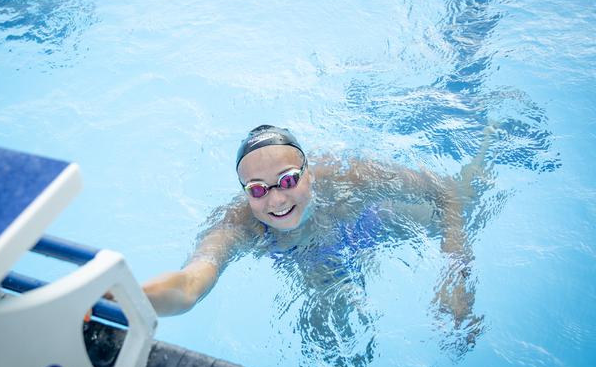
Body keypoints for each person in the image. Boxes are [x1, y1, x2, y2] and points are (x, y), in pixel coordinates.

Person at [142, 125, 486, 325]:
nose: (276, 200)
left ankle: (492, 134)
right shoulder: (237, 223)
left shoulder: (350, 177)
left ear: (309, 173)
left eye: (289, 180)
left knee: (470, 200)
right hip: (315, 265)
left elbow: (444, 191)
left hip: (376, 221)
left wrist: (455, 269)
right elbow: (190, 284)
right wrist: (130, 299)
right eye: (258, 189)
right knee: (330, 344)